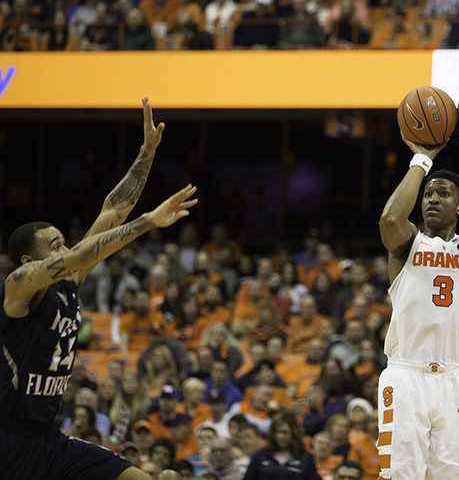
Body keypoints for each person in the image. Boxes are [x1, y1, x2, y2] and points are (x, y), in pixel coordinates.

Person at [0, 97, 195, 480]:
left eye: (64, 240)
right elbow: (82, 254)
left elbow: (113, 210)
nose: (66, 247)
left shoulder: (69, 283)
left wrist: (146, 153)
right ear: (29, 262)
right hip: (10, 441)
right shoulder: (18, 287)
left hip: (50, 438)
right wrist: (149, 223)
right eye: (54, 245)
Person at [377, 82, 459, 479]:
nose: (432, 198)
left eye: (443, 193)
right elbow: (388, 220)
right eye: (429, 194)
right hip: (406, 373)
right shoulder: (406, 245)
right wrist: (422, 161)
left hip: (453, 377)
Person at [243, 411, 319, 480]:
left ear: (293, 433)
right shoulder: (260, 455)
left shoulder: (306, 458)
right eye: (277, 432)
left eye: (285, 432)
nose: (280, 437)